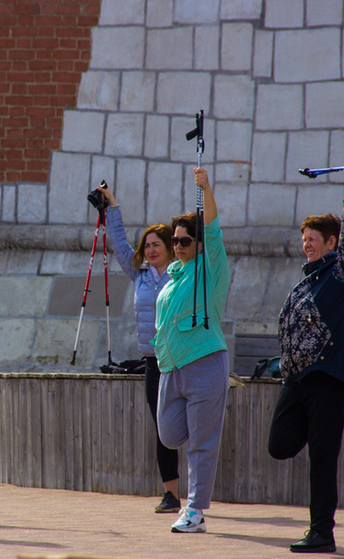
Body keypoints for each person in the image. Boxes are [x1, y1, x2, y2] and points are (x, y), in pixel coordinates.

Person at [268, 159, 344, 554]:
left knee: (323, 461)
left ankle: (321, 533)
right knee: (279, 445)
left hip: (328, 379)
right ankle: (318, 430)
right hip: (297, 381)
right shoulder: (306, 281)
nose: (307, 243)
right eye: (305, 238)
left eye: (314, 238)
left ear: (331, 243)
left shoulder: (342, 274)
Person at [153, 167, 231, 533]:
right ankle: (195, 501)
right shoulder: (172, 278)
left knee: (201, 443)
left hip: (204, 364)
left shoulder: (209, 269)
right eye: (177, 240)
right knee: (169, 435)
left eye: (186, 240)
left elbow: (212, 231)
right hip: (172, 369)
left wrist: (206, 188)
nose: (179, 245)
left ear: (198, 244)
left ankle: (196, 510)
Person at [97, 184, 181, 514]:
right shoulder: (140, 275)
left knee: (190, 427)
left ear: (172, 249)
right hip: (153, 363)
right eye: (147, 246)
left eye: (156, 245)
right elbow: (118, 243)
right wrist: (111, 206)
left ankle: (200, 494)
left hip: (183, 361)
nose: (150, 251)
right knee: (163, 429)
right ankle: (171, 494)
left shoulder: (181, 275)